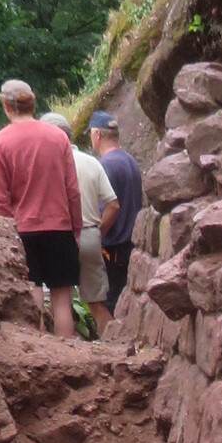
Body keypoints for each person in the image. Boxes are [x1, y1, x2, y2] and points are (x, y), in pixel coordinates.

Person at [0, 79, 80, 339]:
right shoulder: (58, 138)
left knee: (33, 296)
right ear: (33, 103)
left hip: (22, 232)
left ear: (5, 105)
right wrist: (76, 228)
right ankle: (67, 354)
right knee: (62, 301)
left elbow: (0, 202)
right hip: (59, 227)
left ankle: (38, 352)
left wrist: (5, 239)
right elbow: (72, 190)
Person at [42, 109, 114, 335]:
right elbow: (113, 204)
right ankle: (113, 345)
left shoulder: (44, 165)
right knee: (96, 303)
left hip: (56, 236)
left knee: (55, 301)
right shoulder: (91, 162)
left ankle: (58, 349)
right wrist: (98, 232)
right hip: (89, 235)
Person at [90, 112, 144, 317]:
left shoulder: (105, 166)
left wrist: (96, 237)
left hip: (112, 249)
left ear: (97, 135)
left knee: (111, 303)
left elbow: (108, 209)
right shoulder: (129, 160)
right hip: (131, 245)